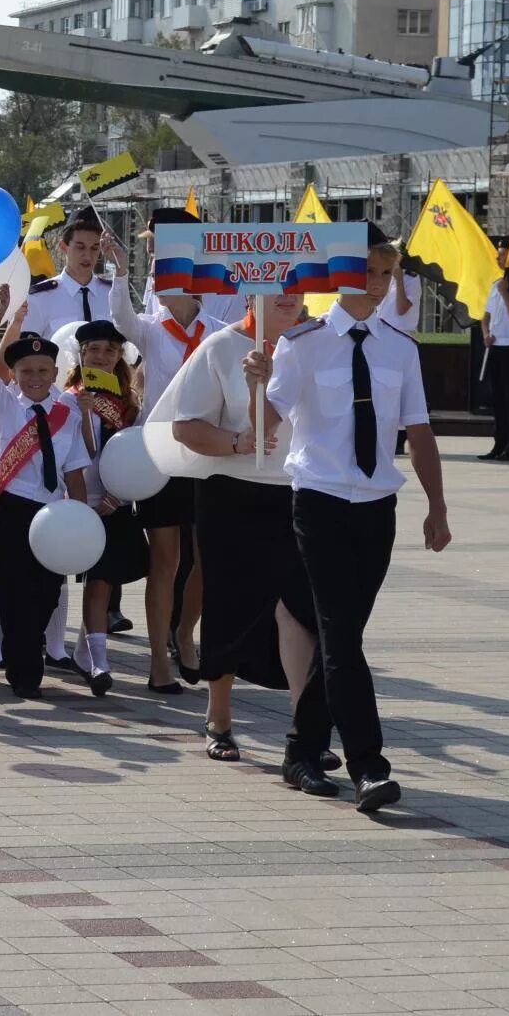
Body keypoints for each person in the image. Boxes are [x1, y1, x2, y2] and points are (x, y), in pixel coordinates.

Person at [247, 239, 452, 812]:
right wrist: (255, 380)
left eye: (388, 273)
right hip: (320, 501)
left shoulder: (400, 348)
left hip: (376, 508)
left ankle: (301, 751)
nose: (379, 283)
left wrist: (437, 506)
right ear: (340, 273)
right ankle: (368, 765)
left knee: (345, 640)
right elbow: (264, 422)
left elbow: (420, 431)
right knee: (339, 633)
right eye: (369, 271)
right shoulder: (302, 343)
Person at [153, 291, 329, 765]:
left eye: (299, 288)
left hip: (301, 492)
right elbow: (185, 426)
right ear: (257, 291)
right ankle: (219, 719)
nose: (292, 297)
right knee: (230, 604)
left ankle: (305, 728)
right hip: (232, 493)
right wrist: (236, 442)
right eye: (280, 288)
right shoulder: (221, 347)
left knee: (301, 610)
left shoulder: (318, 342)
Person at [105, 220, 226, 688]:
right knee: (166, 560)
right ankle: (159, 661)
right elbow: (121, 322)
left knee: (207, 558)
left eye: (167, 272)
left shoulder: (217, 333)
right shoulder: (153, 331)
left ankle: (185, 631)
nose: (157, 279)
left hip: (207, 455)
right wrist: (119, 271)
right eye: (155, 273)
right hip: (159, 454)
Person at [0, 285, 91, 698]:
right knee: (15, 591)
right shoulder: (6, 405)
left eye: (43, 371)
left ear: (55, 373)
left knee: (46, 593)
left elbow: (74, 469)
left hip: (53, 516)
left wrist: (82, 519)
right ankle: (24, 672)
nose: (36, 378)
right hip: (13, 509)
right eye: (27, 371)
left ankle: (30, 648)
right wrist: (0, 312)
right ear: (16, 376)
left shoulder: (68, 413)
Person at [63, 321, 146, 697]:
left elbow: (133, 456)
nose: (101, 356)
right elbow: (81, 455)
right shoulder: (67, 398)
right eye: (94, 349)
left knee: (106, 581)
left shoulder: (128, 402)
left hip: (116, 501)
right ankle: (98, 662)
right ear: (81, 355)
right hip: (82, 502)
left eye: (110, 351)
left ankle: (88, 653)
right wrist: (83, 414)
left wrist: (122, 495)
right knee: (94, 582)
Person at [20, 210, 115, 338]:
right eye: (80, 247)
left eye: (94, 248)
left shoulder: (112, 294)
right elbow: (24, 353)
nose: (87, 255)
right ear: (63, 247)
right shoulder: (40, 298)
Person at [479, 247, 509, 461]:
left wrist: (506, 292)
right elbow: (486, 317)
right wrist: (485, 334)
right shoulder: (496, 285)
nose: (498, 258)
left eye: (502, 254)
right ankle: (499, 442)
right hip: (496, 347)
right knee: (498, 399)